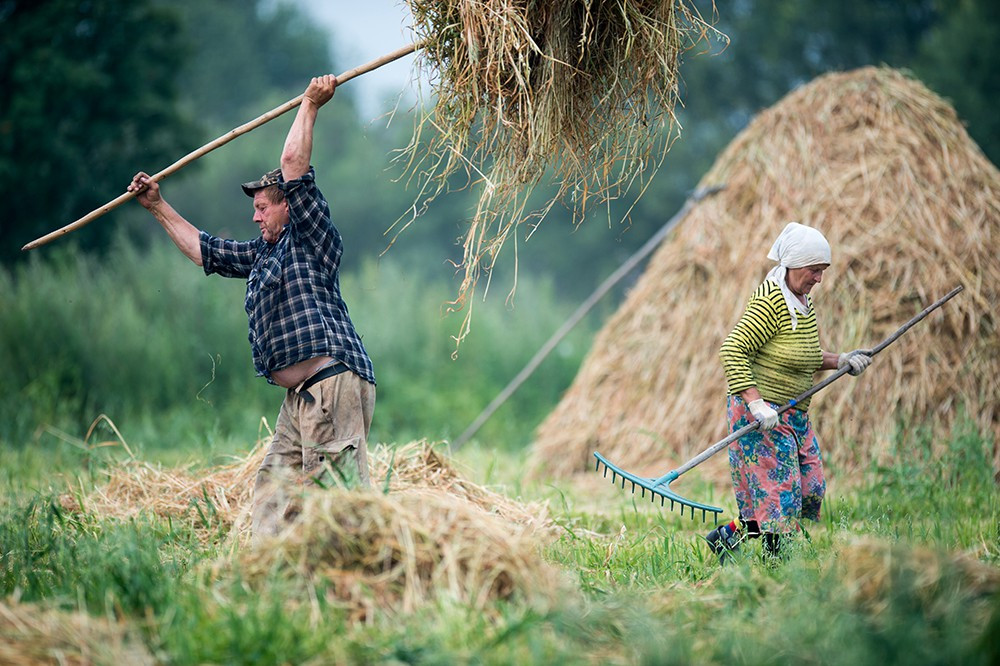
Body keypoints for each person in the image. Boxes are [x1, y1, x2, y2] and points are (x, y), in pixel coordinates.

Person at [127, 75, 376, 542]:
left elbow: (292, 163)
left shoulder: (311, 237)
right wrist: (157, 207)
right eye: (255, 209)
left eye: (263, 207)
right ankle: (265, 574)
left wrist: (310, 104)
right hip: (300, 398)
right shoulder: (263, 254)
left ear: (287, 207)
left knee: (340, 501)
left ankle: (359, 573)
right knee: (273, 486)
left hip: (332, 384)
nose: (255, 216)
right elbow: (207, 252)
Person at [710, 222, 871, 562]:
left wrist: (841, 360)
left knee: (810, 486)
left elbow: (804, 355)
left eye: (823, 271)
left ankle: (727, 537)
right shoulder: (771, 302)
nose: (819, 279)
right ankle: (778, 563)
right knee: (779, 493)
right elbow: (732, 349)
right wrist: (755, 403)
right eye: (815, 270)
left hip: (793, 413)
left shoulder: (801, 302)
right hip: (763, 414)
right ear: (795, 265)